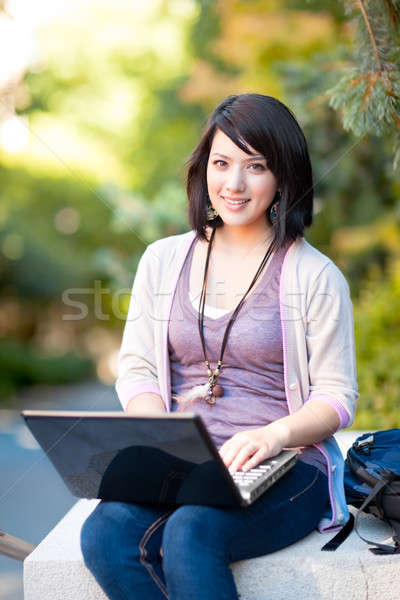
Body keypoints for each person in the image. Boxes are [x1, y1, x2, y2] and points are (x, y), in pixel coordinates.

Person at [80, 93, 358, 600]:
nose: (234, 184)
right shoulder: (163, 260)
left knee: (191, 533)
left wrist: (274, 436)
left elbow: (337, 397)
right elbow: (139, 368)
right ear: (203, 168)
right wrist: (160, 431)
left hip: (288, 464)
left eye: (255, 167)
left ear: (282, 179)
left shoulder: (314, 275)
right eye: (222, 163)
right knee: (104, 534)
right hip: (185, 463)